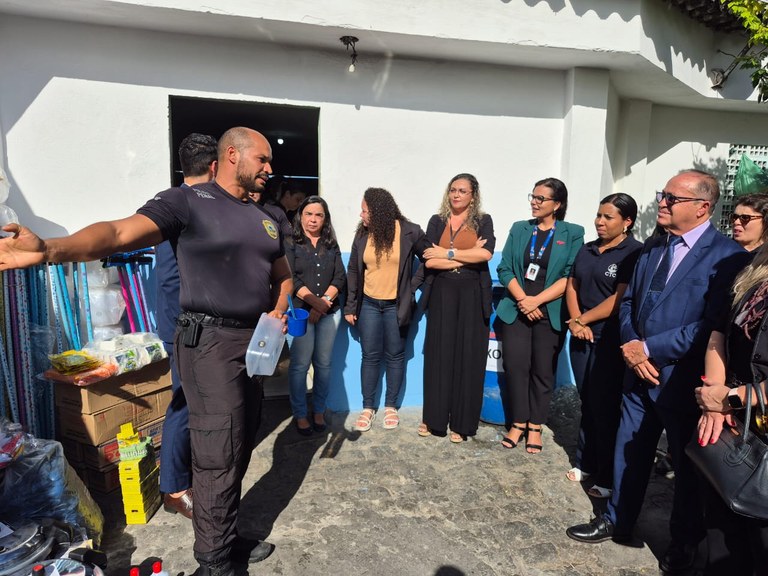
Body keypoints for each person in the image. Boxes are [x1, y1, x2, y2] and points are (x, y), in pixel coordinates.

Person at [0, 127, 292, 576]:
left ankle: (226, 539)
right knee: (217, 452)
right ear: (232, 154)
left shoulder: (265, 216)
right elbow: (118, 232)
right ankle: (213, 564)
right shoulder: (188, 202)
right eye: (264, 160)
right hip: (208, 344)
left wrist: (276, 310)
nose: (270, 169)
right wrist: (49, 249)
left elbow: (282, 271)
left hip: (252, 345)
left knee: (242, 442)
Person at [566, 170, 750, 575]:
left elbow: (709, 325)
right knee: (626, 452)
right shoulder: (653, 247)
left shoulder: (729, 257)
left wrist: (650, 349)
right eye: (662, 195)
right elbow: (629, 301)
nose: (662, 203)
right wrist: (632, 347)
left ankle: (682, 544)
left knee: (687, 473)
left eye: (671, 198)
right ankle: (617, 519)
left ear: (702, 208)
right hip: (638, 375)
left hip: (682, 381)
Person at [495, 178, 584, 453]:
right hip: (517, 311)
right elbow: (505, 268)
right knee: (516, 368)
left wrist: (537, 302)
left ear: (557, 204)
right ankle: (518, 423)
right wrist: (523, 300)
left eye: (541, 198)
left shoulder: (572, 233)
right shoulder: (520, 229)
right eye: (532, 196)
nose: (534, 202)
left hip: (550, 312)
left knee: (543, 372)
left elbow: (570, 275)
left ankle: (536, 426)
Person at [695, 244, 768, 575]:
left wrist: (732, 398)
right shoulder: (756, 268)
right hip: (734, 424)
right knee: (722, 531)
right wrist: (714, 397)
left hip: (750, 418)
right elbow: (719, 333)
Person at [564, 193, 642, 498]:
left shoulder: (632, 252)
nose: (600, 222)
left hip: (607, 340)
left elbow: (619, 297)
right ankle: (586, 460)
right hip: (579, 335)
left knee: (606, 406)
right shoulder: (588, 249)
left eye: (608, 217)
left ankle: (608, 475)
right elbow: (573, 285)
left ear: (627, 222)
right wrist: (575, 320)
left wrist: (583, 320)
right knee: (587, 401)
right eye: (599, 215)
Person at [156, 133, 217, 519]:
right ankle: (174, 489)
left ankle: (187, 472)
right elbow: (168, 278)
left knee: (196, 402)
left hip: (187, 322)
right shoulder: (180, 206)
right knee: (184, 402)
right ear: (215, 167)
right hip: (183, 325)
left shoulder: (184, 203)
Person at [344, 187, 428, 432]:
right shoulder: (362, 235)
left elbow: (429, 258)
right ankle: (368, 407)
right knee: (369, 356)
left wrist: (411, 287)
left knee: (395, 355)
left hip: (396, 306)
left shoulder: (410, 231)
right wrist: (350, 305)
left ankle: (391, 406)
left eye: (365, 210)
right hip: (369, 304)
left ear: (379, 211)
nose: (361, 215)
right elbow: (352, 270)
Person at [418, 173, 495, 443]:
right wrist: (465, 256)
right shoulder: (436, 221)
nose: (456, 195)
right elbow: (429, 260)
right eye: (453, 190)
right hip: (442, 292)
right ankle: (434, 419)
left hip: (473, 293)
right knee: (439, 354)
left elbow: (485, 255)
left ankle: (462, 424)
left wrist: (448, 253)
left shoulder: (483, 221)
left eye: (462, 191)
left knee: (468, 356)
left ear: (473, 195)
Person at [285, 195, 346, 436]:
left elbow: (339, 276)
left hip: (330, 313)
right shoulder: (291, 241)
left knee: (324, 365)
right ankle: (300, 413)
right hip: (302, 313)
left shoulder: (330, 243)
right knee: (300, 366)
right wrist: (314, 305)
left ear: (325, 218)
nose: (313, 219)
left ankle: (318, 409)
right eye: (309, 214)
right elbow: (291, 277)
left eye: (319, 215)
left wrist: (324, 303)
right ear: (301, 216)